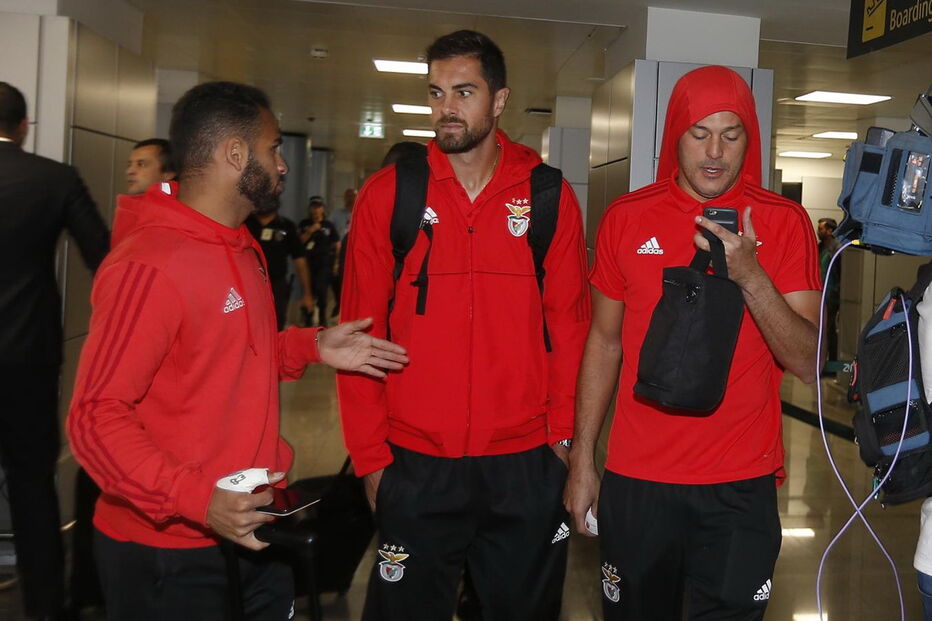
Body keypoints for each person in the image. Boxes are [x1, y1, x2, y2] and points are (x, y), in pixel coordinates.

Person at [66, 81, 408, 620]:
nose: (283, 164)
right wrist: (196, 499)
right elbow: (93, 417)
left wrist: (313, 345)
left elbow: (228, 355)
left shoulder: (241, 247)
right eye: (274, 149)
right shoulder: (150, 263)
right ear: (235, 154)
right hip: (168, 554)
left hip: (252, 527)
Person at [338, 30, 590, 620]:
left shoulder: (547, 196)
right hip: (417, 460)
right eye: (436, 92)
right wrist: (371, 456)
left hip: (525, 460)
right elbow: (356, 339)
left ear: (499, 101)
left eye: (464, 92)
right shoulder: (389, 196)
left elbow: (571, 327)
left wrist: (563, 441)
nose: (446, 108)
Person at [564, 65, 822, 621]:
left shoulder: (784, 222)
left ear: (748, 140)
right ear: (673, 136)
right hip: (638, 479)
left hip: (738, 485)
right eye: (699, 133)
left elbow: (807, 361)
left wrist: (751, 274)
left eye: (731, 135)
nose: (715, 152)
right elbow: (604, 343)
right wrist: (582, 458)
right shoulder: (626, 219)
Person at [0, 81, 110, 620]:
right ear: (23, 126)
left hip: (28, 355)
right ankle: (46, 606)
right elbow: (104, 259)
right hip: (29, 354)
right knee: (32, 482)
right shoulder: (55, 179)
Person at [246, 205, 314, 330]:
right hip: (248, 285)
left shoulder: (286, 226)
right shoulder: (244, 223)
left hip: (277, 285)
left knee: (276, 325)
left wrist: (307, 293)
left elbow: (300, 261)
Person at [298, 197, 339, 325]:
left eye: (318, 207)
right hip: (307, 264)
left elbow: (337, 244)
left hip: (324, 264)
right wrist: (310, 231)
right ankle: (308, 321)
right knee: (308, 291)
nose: (316, 210)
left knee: (322, 291)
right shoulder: (304, 224)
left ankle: (322, 320)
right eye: (314, 207)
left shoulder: (328, 225)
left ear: (323, 208)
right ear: (310, 208)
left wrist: (336, 263)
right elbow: (298, 243)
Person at [329, 187, 356, 316]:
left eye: (353, 196)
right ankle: (339, 303)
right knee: (338, 280)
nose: (350, 198)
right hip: (339, 252)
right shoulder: (336, 214)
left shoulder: (360, 211)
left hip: (355, 251)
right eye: (348, 196)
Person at [818, 217, 841, 366]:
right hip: (819, 296)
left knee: (829, 330)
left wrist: (835, 292)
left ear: (830, 230)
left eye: (821, 228)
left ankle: (831, 365)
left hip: (831, 297)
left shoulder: (838, 249)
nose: (818, 231)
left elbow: (842, 273)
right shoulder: (819, 248)